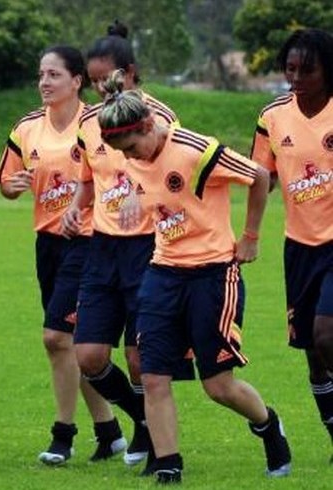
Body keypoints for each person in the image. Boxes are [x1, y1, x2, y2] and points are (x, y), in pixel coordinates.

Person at [97, 70, 291, 483]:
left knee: (217, 385)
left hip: (213, 275)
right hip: (163, 272)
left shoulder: (197, 151)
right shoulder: (134, 153)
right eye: (123, 153)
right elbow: (137, 174)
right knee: (151, 375)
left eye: (132, 148)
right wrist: (132, 192)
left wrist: (251, 236)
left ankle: (268, 425)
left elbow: (258, 176)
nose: (130, 158)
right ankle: (169, 464)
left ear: (149, 125)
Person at [61, 21, 184, 469]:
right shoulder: (89, 124)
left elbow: (174, 175)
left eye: (106, 78)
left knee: (139, 358)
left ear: (130, 74)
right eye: (93, 81)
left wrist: (140, 190)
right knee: (89, 355)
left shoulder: (159, 117)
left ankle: (157, 443)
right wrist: (76, 207)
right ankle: (144, 422)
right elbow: (88, 179)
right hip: (102, 248)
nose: (99, 89)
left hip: (148, 248)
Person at [0, 45, 124, 465]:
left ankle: (63, 434)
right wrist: (11, 186)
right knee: (75, 342)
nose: (44, 83)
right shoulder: (27, 127)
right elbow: (5, 180)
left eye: (53, 75)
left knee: (56, 337)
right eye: (41, 75)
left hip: (90, 243)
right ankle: (110, 431)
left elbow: (118, 177)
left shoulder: (98, 123)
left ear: (76, 81)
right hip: (47, 243)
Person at [251, 28, 333, 462]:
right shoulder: (272, 117)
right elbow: (260, 178)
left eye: (307, 69)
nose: (296, 77)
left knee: (326, 335)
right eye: (290, 68)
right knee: (312, 355)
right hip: (299, 247)